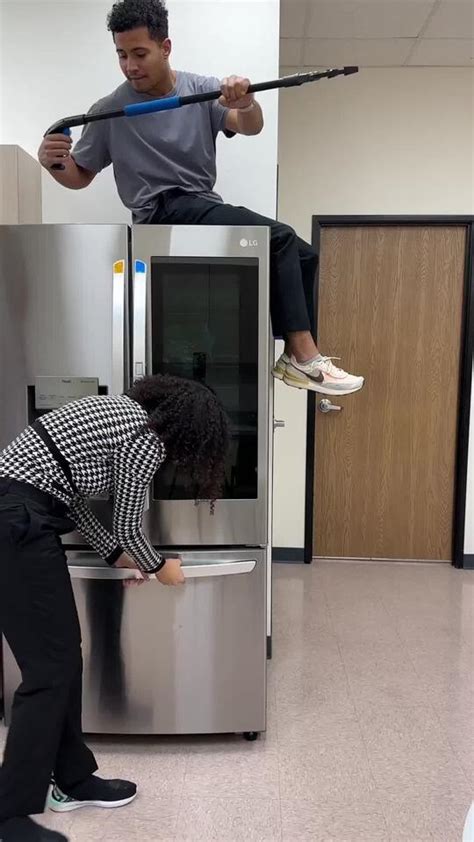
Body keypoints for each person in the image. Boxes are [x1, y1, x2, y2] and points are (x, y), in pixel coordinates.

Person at [37, 0, 364, 398]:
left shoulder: (200, 90)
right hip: (159, 212)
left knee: (304, 254)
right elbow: (79, 176)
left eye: (139, 53)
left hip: (198, 204)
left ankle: (289, 354)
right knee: (277, 237)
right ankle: (304, 356)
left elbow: (250, 126)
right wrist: (54, 164)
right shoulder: (110, 110)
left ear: (165, 47)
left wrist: (246, 103)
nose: (130, 66)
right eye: (122, 55)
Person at [0, 375, 230, 842]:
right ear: (189, 431)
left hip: (21, 517)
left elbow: (73, 503)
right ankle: (8, 819)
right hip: (18, 524)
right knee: (50, 672)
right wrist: (160, 566)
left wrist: (115, 555)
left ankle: (73, 779)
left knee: (62, 662)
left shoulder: (122, 416)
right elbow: (128, 527)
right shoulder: (145, 438)